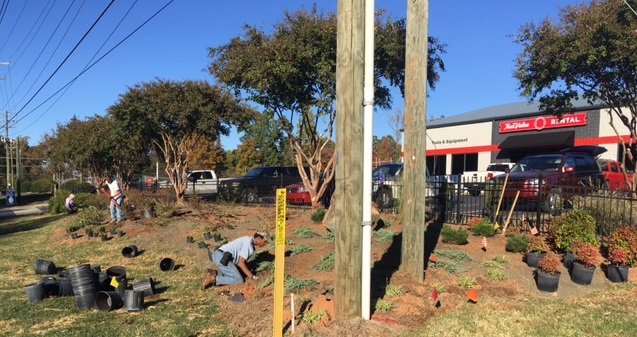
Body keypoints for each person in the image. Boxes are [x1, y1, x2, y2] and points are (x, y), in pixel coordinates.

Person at [202, 231, 269, 289]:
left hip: (219, 256)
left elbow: (241, 262)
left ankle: (215, 273)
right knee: (239, 280)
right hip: (223, 258)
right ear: (259, 238)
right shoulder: (249, 245)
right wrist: (252, 276)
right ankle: (215, 279)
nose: (265, 244)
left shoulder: (247, 240)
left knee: (235, 273)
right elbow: (241, 263)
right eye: (265, 241)